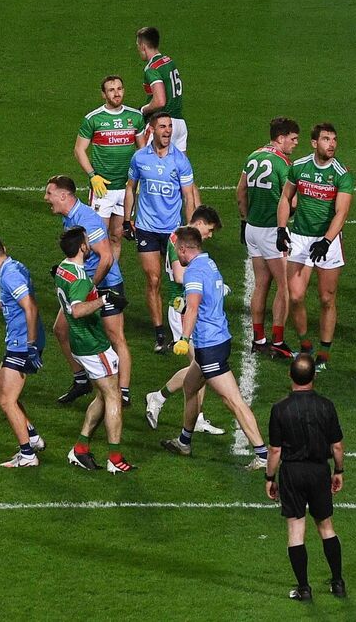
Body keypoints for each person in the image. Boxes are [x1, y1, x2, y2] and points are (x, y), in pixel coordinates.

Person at [160, 227, 270, 471]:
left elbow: (194, 307)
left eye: (179, 252)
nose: (178, 256)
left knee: (233, 401)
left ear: (184, 249)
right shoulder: (209, 264)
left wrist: (183, 338)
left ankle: (263, 455)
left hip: (210, 345)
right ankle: (184, 442)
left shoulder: (193, 272)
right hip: (215, 340)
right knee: (190, 387)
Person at [44, 175, 133, 407]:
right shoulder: (70, 218)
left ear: (64, 196)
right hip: (86, 283)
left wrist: (91, 286)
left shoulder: (87, 220)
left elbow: (106, 257)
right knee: (60, 330)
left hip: (105, 283)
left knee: (116, 337)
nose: (46, 198)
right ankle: (81, 380)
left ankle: (123, 392)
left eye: (49, 193)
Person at [55, 227, 136, 474]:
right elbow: (77, 309)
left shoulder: (62, 269)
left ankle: (80, 449)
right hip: (92, 344)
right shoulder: (79, 278)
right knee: (114, 397)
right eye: (87, 242)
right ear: (81, 247)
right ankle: (115, 458)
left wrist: (98, 293)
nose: (90, 245)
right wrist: (104, 300)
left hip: (81, 344)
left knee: (102, 395)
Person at [265, 354, 346, 601]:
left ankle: (303, 588)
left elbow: (276, 450)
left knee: (296, 530)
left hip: (292, 473)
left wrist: (270, 477)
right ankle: (337, 582)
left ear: (290, 375)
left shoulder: (280, 409)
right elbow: (337, 446)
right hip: (319, 470)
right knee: (326, 527)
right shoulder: (326, 406)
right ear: (314, 377)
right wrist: (338, 471)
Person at [276, 122, 354, 371]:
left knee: (326, 298)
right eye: (326, 139)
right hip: (299, 237)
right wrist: (281, 229)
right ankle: (305, 344)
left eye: (334, 139)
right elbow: (285, 198)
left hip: (327, 241)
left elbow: (341, 212)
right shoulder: (299, 167)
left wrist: (327, 241)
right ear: (314, 143)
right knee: (296, 296)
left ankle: (325, 352)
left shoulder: (341, 174)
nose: (331, 144)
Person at [144, 205, 227, 435]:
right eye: (209, 230)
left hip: (190, 307)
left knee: (200, 368)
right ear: (199, 224)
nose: (210, 235)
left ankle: (194, 416)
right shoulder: (178, 241)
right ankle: (158, 398)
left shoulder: (184, 240)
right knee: (199, 367)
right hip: (181, 309)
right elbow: (180, 275)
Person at [124, 112, 198, 353]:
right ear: (152, 130)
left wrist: (190, 229)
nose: (167, 131)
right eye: (162, 127)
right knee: (153, 280)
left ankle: (184, 329)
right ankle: (159, 334)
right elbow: (131, 187)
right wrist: (127, 220)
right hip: (146, 228)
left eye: (170, 127)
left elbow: (189, 196)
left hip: (173, 231)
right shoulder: (139, 158)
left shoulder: (180, 161)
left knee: (180, 282)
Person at [0, 235, 47, 468]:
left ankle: (27, 455)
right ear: (4, 249)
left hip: (22, 342)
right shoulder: (14, 267)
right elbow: (14, 301)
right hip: (18, 340)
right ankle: (33, 438)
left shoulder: (10, 275)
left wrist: (32, 346)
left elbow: (30, 307)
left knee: (7, 399)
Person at [236, 117, 299, 358]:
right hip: (273, 231)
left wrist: (244, 219)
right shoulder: (284, 163)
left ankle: (259, 339)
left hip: (252, 228)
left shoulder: (253, 156)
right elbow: (291, 201)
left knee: (261, 283)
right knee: (284, 287)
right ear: (281, 138)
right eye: (293, 139)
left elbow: (240, 191)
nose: (294, 144)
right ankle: (278, 342)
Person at [75, 75, 147, 261]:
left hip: (126, 189)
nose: (117, 93)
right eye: (111, 90)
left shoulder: (135, 117)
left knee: (117, 237)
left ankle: (111, 279)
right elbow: (79, 150)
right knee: (96, 239)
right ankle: (94, 281)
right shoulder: (93, 119)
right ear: (103, 94)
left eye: (119, 89)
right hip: (103, 189)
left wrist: (139, 178)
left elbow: (143, 151)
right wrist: (92, 176)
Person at [136, 26, 187, 152]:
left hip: (162, 124)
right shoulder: (169, 61)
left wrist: (143, 109)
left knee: (146, 165)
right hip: (180, 125)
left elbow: (160, 101)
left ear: (143, 46)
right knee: (181, 169)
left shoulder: (152, 68)